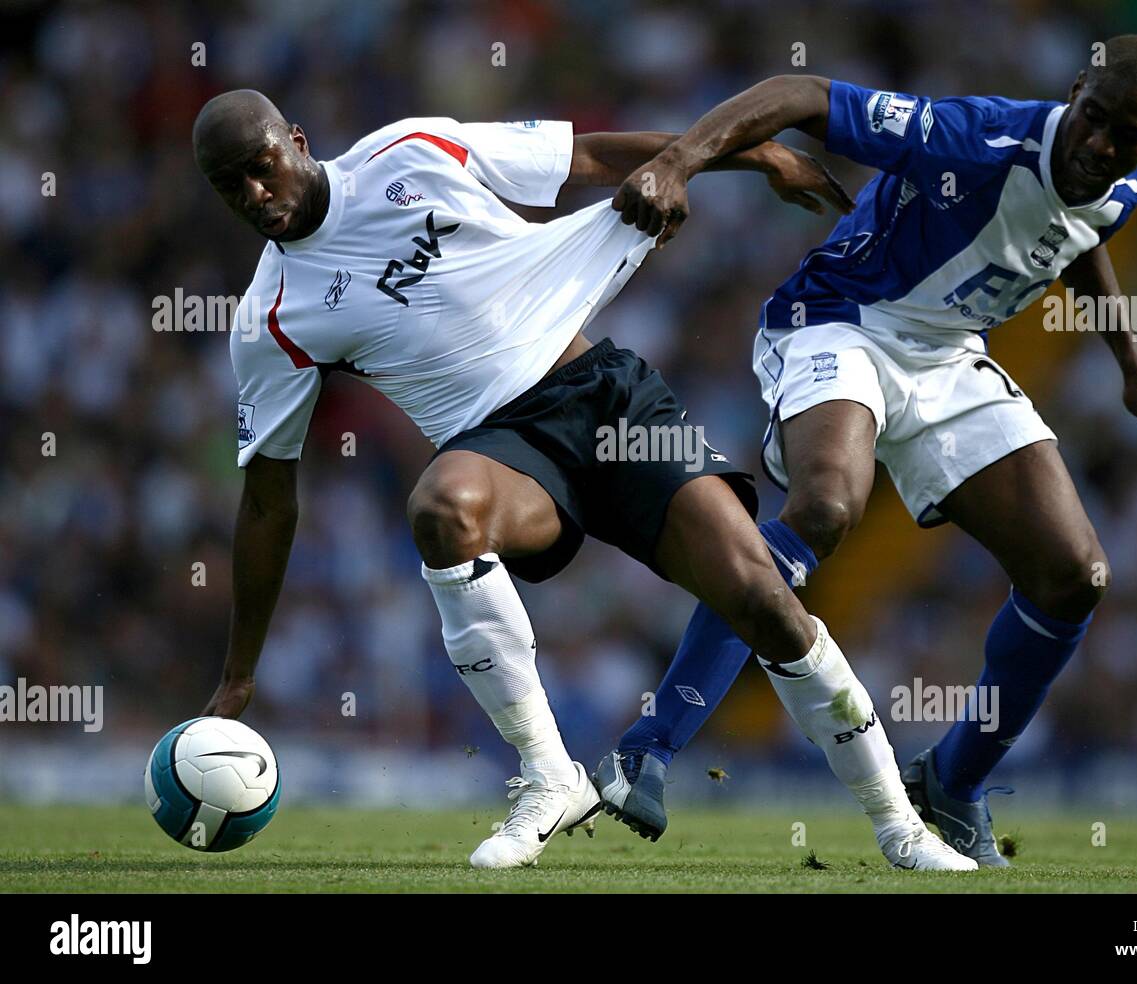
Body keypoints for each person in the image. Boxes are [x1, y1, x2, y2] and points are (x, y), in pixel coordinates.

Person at [192, 89, 974, 871]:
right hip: (501, 450)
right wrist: (236, 677)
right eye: (231, 189)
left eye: (262, 169)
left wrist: (756, 154)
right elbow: (267, 500)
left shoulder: (411, 150)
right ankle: (548, 777)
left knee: (762, 597)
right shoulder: (271, 320)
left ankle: (899, 826)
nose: (256, 196)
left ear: (295, 141)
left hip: (604, 399)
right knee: (441, 510)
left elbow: (591, 158)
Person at [598, 34, 1137, 867]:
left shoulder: (1118, 187)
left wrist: (1134, 365)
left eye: (1126, 134)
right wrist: (680, 161)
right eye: (1093, 118)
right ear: (1074, 90)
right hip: (843, 319)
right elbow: (803, 91)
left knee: (1074, 575)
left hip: (948, 358)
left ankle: (953, 784)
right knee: (826, 507)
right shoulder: (972, 136)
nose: (1100, 144)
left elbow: (1080, 232)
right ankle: (647, 746)